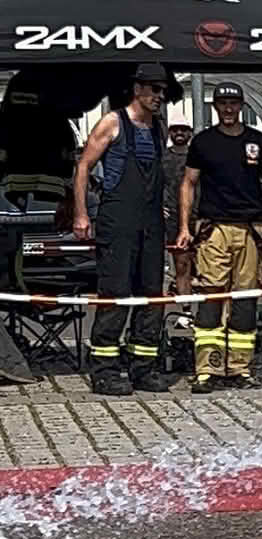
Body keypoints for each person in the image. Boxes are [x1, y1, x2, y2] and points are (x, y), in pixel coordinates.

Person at [177, 81, 262, 393]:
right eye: (223, 104)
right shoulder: (203, 142)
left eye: (234, 103)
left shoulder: (258, 141)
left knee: (245, 299)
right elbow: (188, 184)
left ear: (241, 106)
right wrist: (185, 227)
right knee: (211, 297)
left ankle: (240, 368)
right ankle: (207, 370)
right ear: (215, 107)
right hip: (214, 229)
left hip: (251, 228)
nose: (228, 109)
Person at [72, 62, 173, 396]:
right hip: (118, 219)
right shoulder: (112, 122)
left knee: (151, 294)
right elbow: (84, 167)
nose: (160, 96)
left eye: (163, 90)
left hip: (151, 222)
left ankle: (143, 366)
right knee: (115, 294)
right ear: (138, 89)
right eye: (155, 89)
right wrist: (81, 214)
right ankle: (104, 370)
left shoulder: (158, 128)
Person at [161, 121, 195, 297]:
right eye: (175, 130)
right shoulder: (162, 157)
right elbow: (153, 185)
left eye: (183, 129)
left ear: (190, 132)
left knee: (207, 267)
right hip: (173, 218)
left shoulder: (198, 156)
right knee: (181, 265)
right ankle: (185, 307)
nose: (179, 133)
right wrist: (159, 206)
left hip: (199, 216)